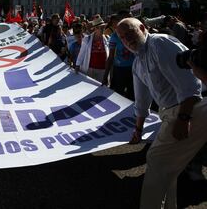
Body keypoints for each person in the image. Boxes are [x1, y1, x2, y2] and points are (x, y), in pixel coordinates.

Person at [116, 17, 207, 209]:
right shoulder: (137, 64)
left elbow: (190, 85)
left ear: (142, 27)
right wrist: (138, 130)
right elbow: (142, 102)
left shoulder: (159, 43)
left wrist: (184, 118)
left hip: (191, 108)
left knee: (156, 160)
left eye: (130, 33)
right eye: (122, 38)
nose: (127, 40)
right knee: (168, 166)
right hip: (170, 113)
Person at [102, 14, 135, 99]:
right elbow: (111, 57)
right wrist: (105, 76)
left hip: (133, 69)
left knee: (132, 96)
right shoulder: (114, 36)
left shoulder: (134, 33)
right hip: (119, 70)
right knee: (118, 96)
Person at [75, 16, 109, 82]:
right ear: (95, 28)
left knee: (101, 89)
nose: (103, 30)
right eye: (101, 28)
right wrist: (77, 65)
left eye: (103, 28)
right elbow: (81, 53)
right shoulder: (87, 39)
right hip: (90, 68)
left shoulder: (107, 38)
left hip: (103, 69)